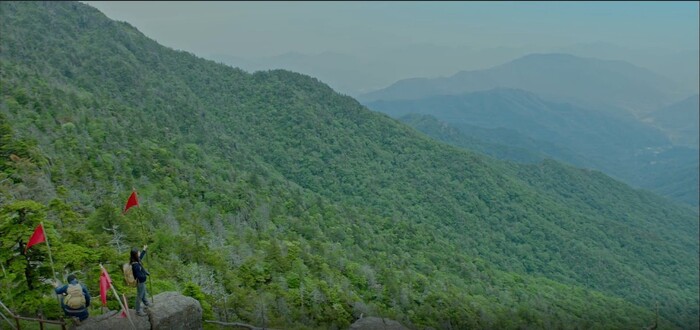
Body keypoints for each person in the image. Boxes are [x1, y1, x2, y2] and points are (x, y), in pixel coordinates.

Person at [130, 245, 152, 316]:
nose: (139, 253)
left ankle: (146, 302)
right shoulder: (135, 265)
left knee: (143, 292)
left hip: (142, 281)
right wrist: (144, 275)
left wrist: (144, 250)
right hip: (140, 282)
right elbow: (138, 275)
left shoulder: (136, 260)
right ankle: (138, 311)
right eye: (138, 252)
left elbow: (141, 257)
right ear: (135, 255)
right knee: (139, 295)